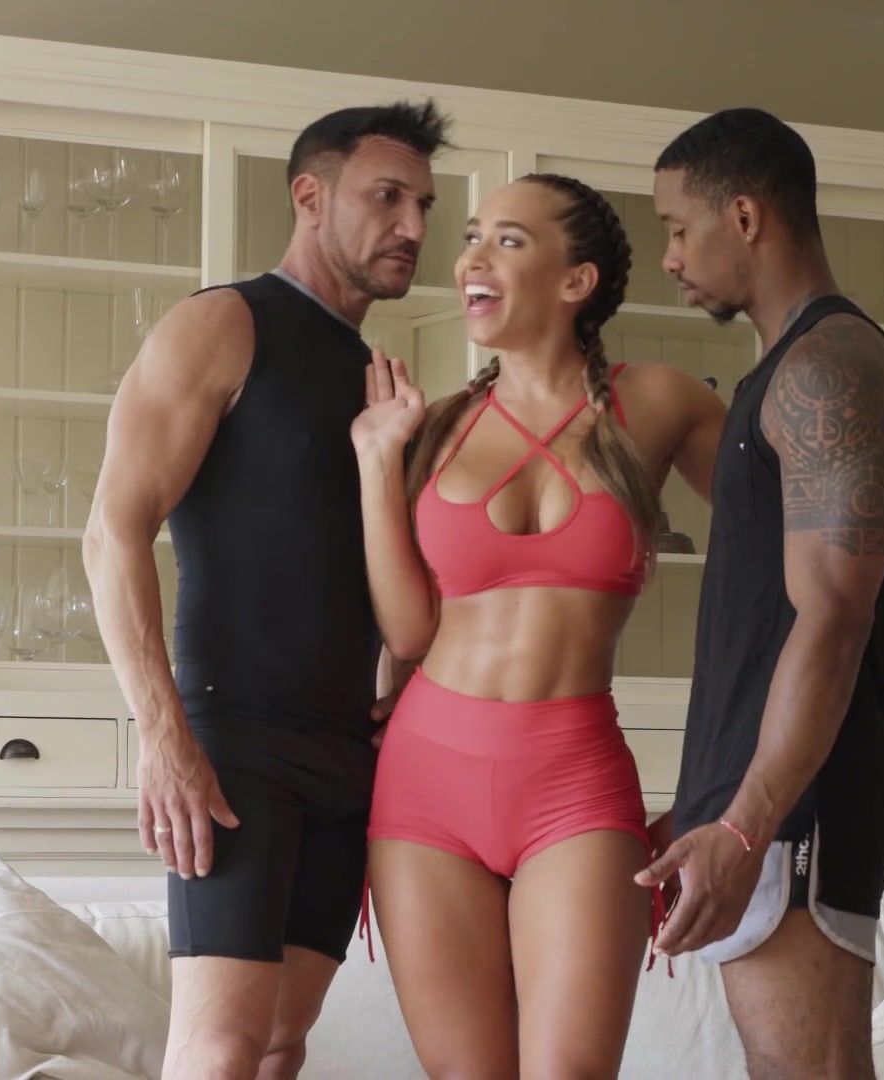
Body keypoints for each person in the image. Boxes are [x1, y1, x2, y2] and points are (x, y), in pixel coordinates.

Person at [82, 100, 449, 1080]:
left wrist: (400, 693)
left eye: (423, 204)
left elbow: (382, 573)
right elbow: (112, 531)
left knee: (283, 1042)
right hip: (236, 744)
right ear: (309, 196)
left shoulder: (376, 379)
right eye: (387, 197)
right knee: (220, 1045)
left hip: (348, 755)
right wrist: (164, 737)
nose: (412, 225)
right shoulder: (223, 324)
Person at [348, 172, 726, 1077]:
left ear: (575, 281)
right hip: (424, 784)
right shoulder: (435, 426)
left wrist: (728, 781)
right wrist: (375, 459)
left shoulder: (662, 403)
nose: (471, 258)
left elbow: (784, 567)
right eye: (472, 237)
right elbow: (409, 633)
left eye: (508, 241)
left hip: (573, 781)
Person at [636, 107, 884, 1079]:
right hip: (766, 801)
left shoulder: (826, 373)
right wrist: (706, 801)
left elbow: (833, 621)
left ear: (746, 217)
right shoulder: (785, 374)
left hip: (799, 809)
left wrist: (744, 824)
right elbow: (762, 620)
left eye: (679, 227)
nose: (670, 256)